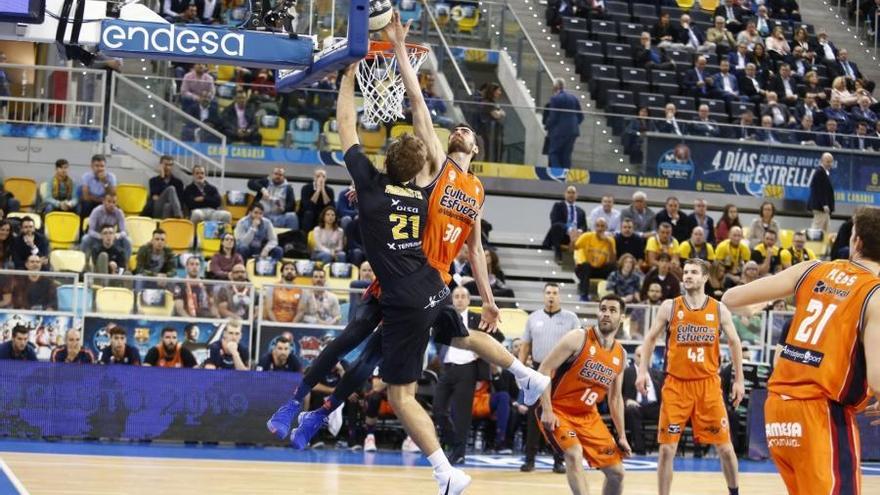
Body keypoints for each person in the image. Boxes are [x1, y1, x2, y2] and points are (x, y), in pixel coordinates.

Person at [274, 24, 549, 492]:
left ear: (472, 149)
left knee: (375, 359)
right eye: (456, 128)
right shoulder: (438, 185)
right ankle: (525, 375)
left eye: (466, 131)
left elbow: (476, 247)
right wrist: (486, 297)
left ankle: (318, 410)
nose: (460, 130)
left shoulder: (457, 184)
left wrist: (381, 58)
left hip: (415, 280)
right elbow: (420, 114)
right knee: (441, 342)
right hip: (430, 280)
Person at [721, 207, 880, 495]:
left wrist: (761, 304)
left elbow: (732, 298)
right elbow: (877, 378)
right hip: (820, 413)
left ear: (856, 242)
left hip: (778, 412)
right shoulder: (876, 294)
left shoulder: (812, 269)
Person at [637, 259, 744, 495]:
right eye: (685, 272)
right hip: (676, 385)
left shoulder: (718, 308)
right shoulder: (670, 306)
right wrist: (642, 371)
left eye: (694, 272)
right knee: (666, 450)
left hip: (708, 385)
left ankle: (734, 492)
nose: (688, 276)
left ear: (705, 277)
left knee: (725, 448)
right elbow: (649, 339)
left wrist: (739, 380)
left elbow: (735, 342)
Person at [536, 295, 631, 495]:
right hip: (559, 410)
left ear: (621, 317)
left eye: (612, 310)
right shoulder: (578, 338)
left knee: (617, 474)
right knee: (573, 453)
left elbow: (615, 399)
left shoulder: (620, 355)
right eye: (603, 309)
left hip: (588, 416)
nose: (606, 314)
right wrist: (547, 409)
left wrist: (621, 435)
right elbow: (544, 369)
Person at [519, 283, 580, 473]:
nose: (551, 296)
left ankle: (558, 459)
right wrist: (520, 370)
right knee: (534, 415)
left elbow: (579, 347)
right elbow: (525, 346)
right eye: (548, 293)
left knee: (559, 416)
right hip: (537, 369)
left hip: (562, 370)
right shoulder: (533, 318)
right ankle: (530, 459)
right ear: (543, 296)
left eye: (554, 293)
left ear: (559, 296)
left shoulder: (571, 319)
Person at [622, 345, 662, 455]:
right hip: (636, 406)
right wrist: (627, 401)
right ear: (635, 357)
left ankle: (666, 449)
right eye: (639, 356)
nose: (642, 359)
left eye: (646, 356)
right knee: (631, 410)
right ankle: (640, 449)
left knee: (669, 412)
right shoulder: (626, 373)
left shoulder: (657, 374)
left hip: (654, 407)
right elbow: (616, 394)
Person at [543, 78, 583, 168]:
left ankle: (557, 176)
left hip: (559, 131)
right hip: (573, 131)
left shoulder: (555, 98)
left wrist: (547, 126)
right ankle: (566, 177)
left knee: (553, 153)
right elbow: (581, 116)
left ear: (555, 87)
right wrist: (574, 124)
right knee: (566, 155)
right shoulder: (573, 98)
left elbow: (553, 117)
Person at [574, 217, 616, 301]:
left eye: (602, 226)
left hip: (599, 269)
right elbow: (573, 248)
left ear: (606, 228)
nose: (600, 228)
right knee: (586, 265)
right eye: (598, 226)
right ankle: (584, 295)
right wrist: (572, 240)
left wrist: (609, 244)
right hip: (584, 269)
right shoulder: (587, 236)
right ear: (594, 227)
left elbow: (612, 260)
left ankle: (608, 296)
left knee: (613, 267)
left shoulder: (610, 240)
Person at [80, 193, 132, 262]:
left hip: (111, 238)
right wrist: (101, 236)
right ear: (103, 202)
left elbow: (124, 231)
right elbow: (91, 231)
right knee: (85, 239)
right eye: (109, 202)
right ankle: (84, 263)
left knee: (127, 241)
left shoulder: (119, 213)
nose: (112, 205)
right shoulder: (96, 211)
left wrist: (118, 235)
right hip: (98, 237)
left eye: (114, 202)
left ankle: (124, 265)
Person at [543, 185, 587, 263]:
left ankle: (584, 261)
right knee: (556, 226)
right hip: (563, 235)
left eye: (573, 193)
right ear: (565, 194)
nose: (571, 195)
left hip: (577, 237)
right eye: (569, 192)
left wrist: (579, 231)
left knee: (589, 233)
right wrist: (569, 229)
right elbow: (555, 221)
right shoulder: (558, 206)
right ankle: (558, 254)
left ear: (577, 195)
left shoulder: (581, 211)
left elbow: (584, 226)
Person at [144, 155, 184, 219]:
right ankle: (179, 216)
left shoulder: (178, 182)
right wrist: (162, 178)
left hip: (171, 210)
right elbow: (154, 197)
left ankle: (167, 225)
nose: (168, 168)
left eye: (170, 165)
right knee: (171, 188)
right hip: (157, 209)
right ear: (161, 166)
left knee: (167, 205)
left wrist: (160, 196)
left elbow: (179, 200)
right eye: (166, 165)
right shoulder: (153, 181)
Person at [298, 168, 335, 233]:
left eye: (323, 177)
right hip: (308, 213)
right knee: (309, 214)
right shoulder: (306, 188)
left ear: (326, 179)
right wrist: (318, 191)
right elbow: (307, 206)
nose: (321, 179)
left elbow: (329, 207)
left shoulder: (329, 190)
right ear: (314, 178)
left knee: (329, 215)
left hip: (322, 213)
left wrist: (323, 190)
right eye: (318, 176)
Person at [808, 152, 835, 233]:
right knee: (816, 230)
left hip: (824, 208)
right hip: (821, 207)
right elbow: (819, 190)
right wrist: (824, 204)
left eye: (831, 162)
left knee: (825, 230)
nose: (829, 164)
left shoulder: (824, 172)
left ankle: (823, 245)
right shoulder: (820, 172)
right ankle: (812, 245)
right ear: (822, 161)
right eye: (827, 161)